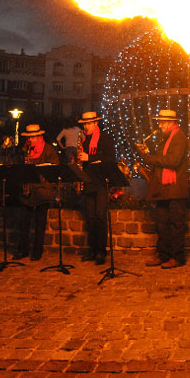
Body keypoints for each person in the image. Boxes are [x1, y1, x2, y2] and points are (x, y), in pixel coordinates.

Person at [136, 109, 189, 269]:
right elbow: (164, 158)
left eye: (162, 122)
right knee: (162, 223)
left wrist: (149, 158)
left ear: (171, 122)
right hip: (164, 188)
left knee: (176, 224)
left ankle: (177, 257)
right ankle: (163, 255)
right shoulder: (165, 138)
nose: (159, 125)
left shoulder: (179, 137)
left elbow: (172, 161)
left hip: (175, 188)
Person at [12, 124, 59, 261]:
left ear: (39, 136)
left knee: (40, 223)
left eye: (33, 137)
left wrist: (40, 173)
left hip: (42, 190)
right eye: (29, 137)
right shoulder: (24, 150)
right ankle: (23, 250)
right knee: (24, 222)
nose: (30, 140)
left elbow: (54, 168)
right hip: (27, 190)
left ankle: (37, 251)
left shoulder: (48, 149)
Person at [77, 111, 116, 265]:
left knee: (100, 217)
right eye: (84, 124)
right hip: (88, 181)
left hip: (101, 182)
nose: (85, 126)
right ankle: (93, 250)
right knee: (91, 218)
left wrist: (89, 157)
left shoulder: (105, 139)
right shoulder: (83, 140)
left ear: (95, 123)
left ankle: (101, 251)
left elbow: (110, 158)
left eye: (88, 123)